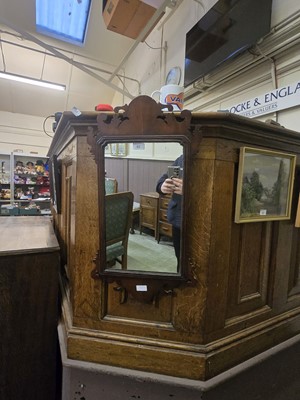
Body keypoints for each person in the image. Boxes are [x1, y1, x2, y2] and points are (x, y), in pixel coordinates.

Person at [156, 154, 183, 265]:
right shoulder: (181, 158)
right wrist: (162, 186)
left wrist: (191, 189)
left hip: (199, 221)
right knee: (180, 258)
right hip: (178, 219)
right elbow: (163, 180)